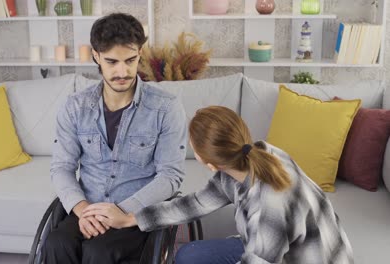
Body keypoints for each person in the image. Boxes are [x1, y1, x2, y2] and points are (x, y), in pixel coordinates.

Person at [82, 106, 355, 264]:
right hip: (274, 246)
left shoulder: (269, 206)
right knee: (188, 255)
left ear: (209, 162)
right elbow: (195, 203)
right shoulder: (255, 154)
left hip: (310, 259)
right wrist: (131, 218)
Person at [44, 13, 187, 264]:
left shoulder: (166, 108)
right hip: (87, 209)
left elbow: (170, 176)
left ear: (140, 53)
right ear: (96, 56)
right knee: (56, 243)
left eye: (130, 60)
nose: (122, 71)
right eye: (112, 62)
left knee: (99, 251)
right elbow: (61, 167)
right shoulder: (75, 107)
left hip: (134, 214)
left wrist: (121, 211)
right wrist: (83, 211)